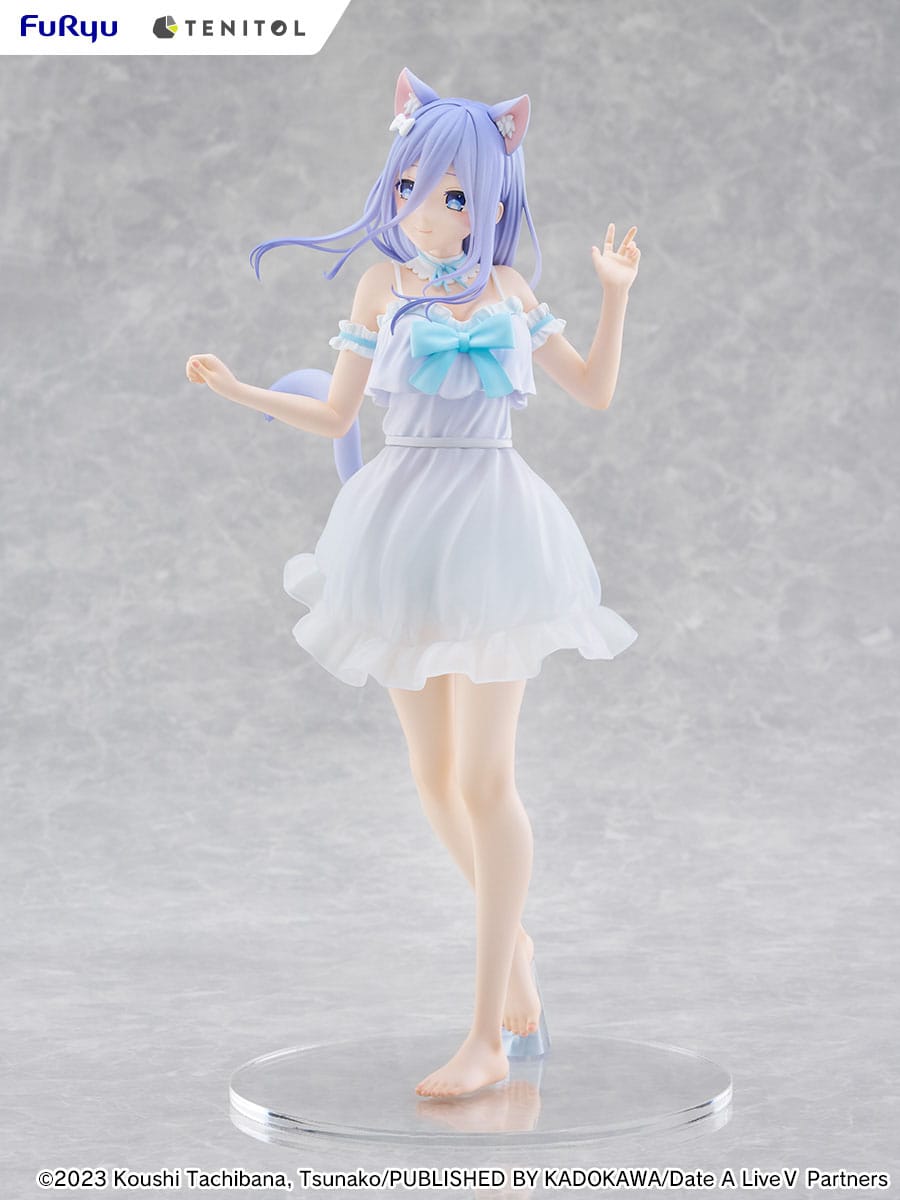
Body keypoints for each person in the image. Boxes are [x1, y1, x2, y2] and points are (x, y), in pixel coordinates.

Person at [186, 66, 640, 1099]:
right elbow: (338, 415)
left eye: (454, 195)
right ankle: (515, 947)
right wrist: (246, 391)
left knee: (485, 781)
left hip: (493, 527)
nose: (427, 213)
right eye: (410, 189)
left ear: (491, 200)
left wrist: (615, 297)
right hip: (398, 528)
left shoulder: (510, 292)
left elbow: (594, 390)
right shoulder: (379, 288)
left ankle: (488, 1035)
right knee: (432, 777)